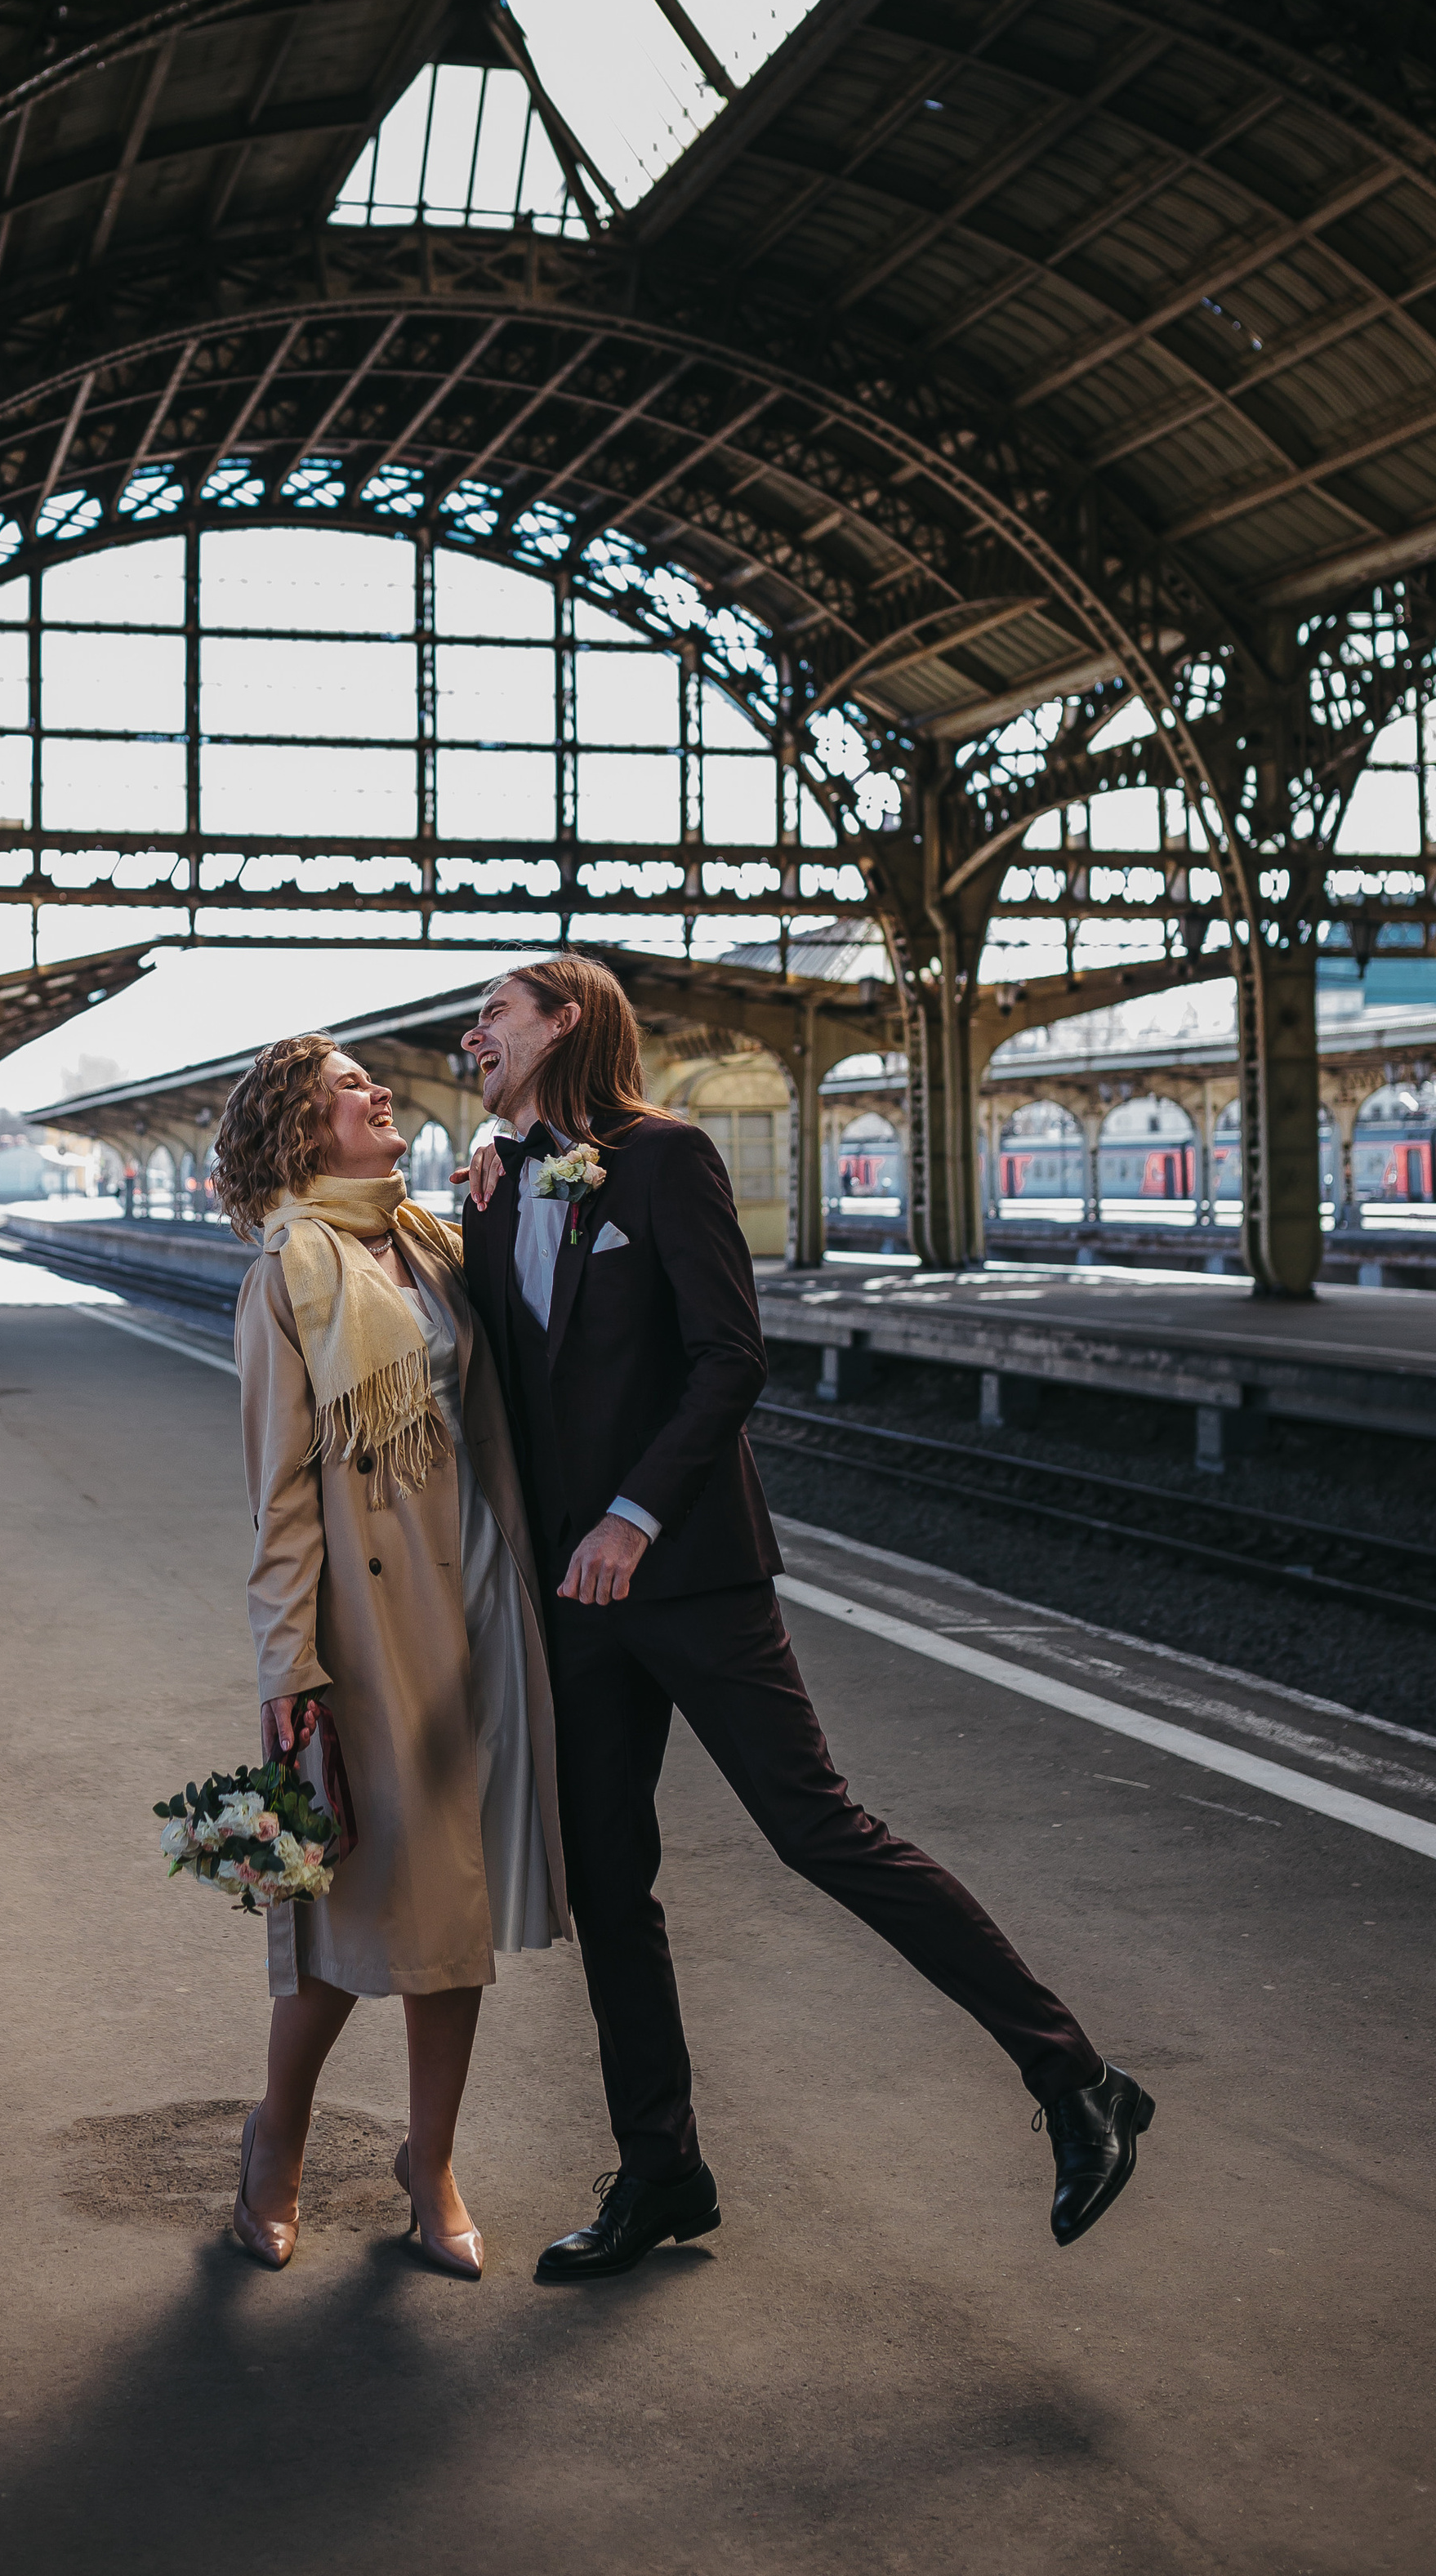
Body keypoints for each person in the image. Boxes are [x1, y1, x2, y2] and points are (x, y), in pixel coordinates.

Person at [458, 953, 1153, 2284]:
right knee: (609, 1882)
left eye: (494, 1013)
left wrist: (633, 1516)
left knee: (818, 1830)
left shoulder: (667, 1161)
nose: (473, 1034)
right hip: (572, 1601)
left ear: (565, 1023)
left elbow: (733, 1357)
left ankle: (1077, 2078)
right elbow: (507, 1376)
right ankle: (662, 2170)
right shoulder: (494, 1191)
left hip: (690, 1572)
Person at [215, 1032, 568, 2280]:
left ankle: (432, 2164)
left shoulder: (427, 1239)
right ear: (311, 1133)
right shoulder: (288, 1272)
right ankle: (281, 2139)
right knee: (354, 1901)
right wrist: (287, 1669)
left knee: (451, 1904)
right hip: (368, 1627)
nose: (380, 1095)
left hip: (475, 1590)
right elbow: (280, 1497)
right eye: (354, 1089)